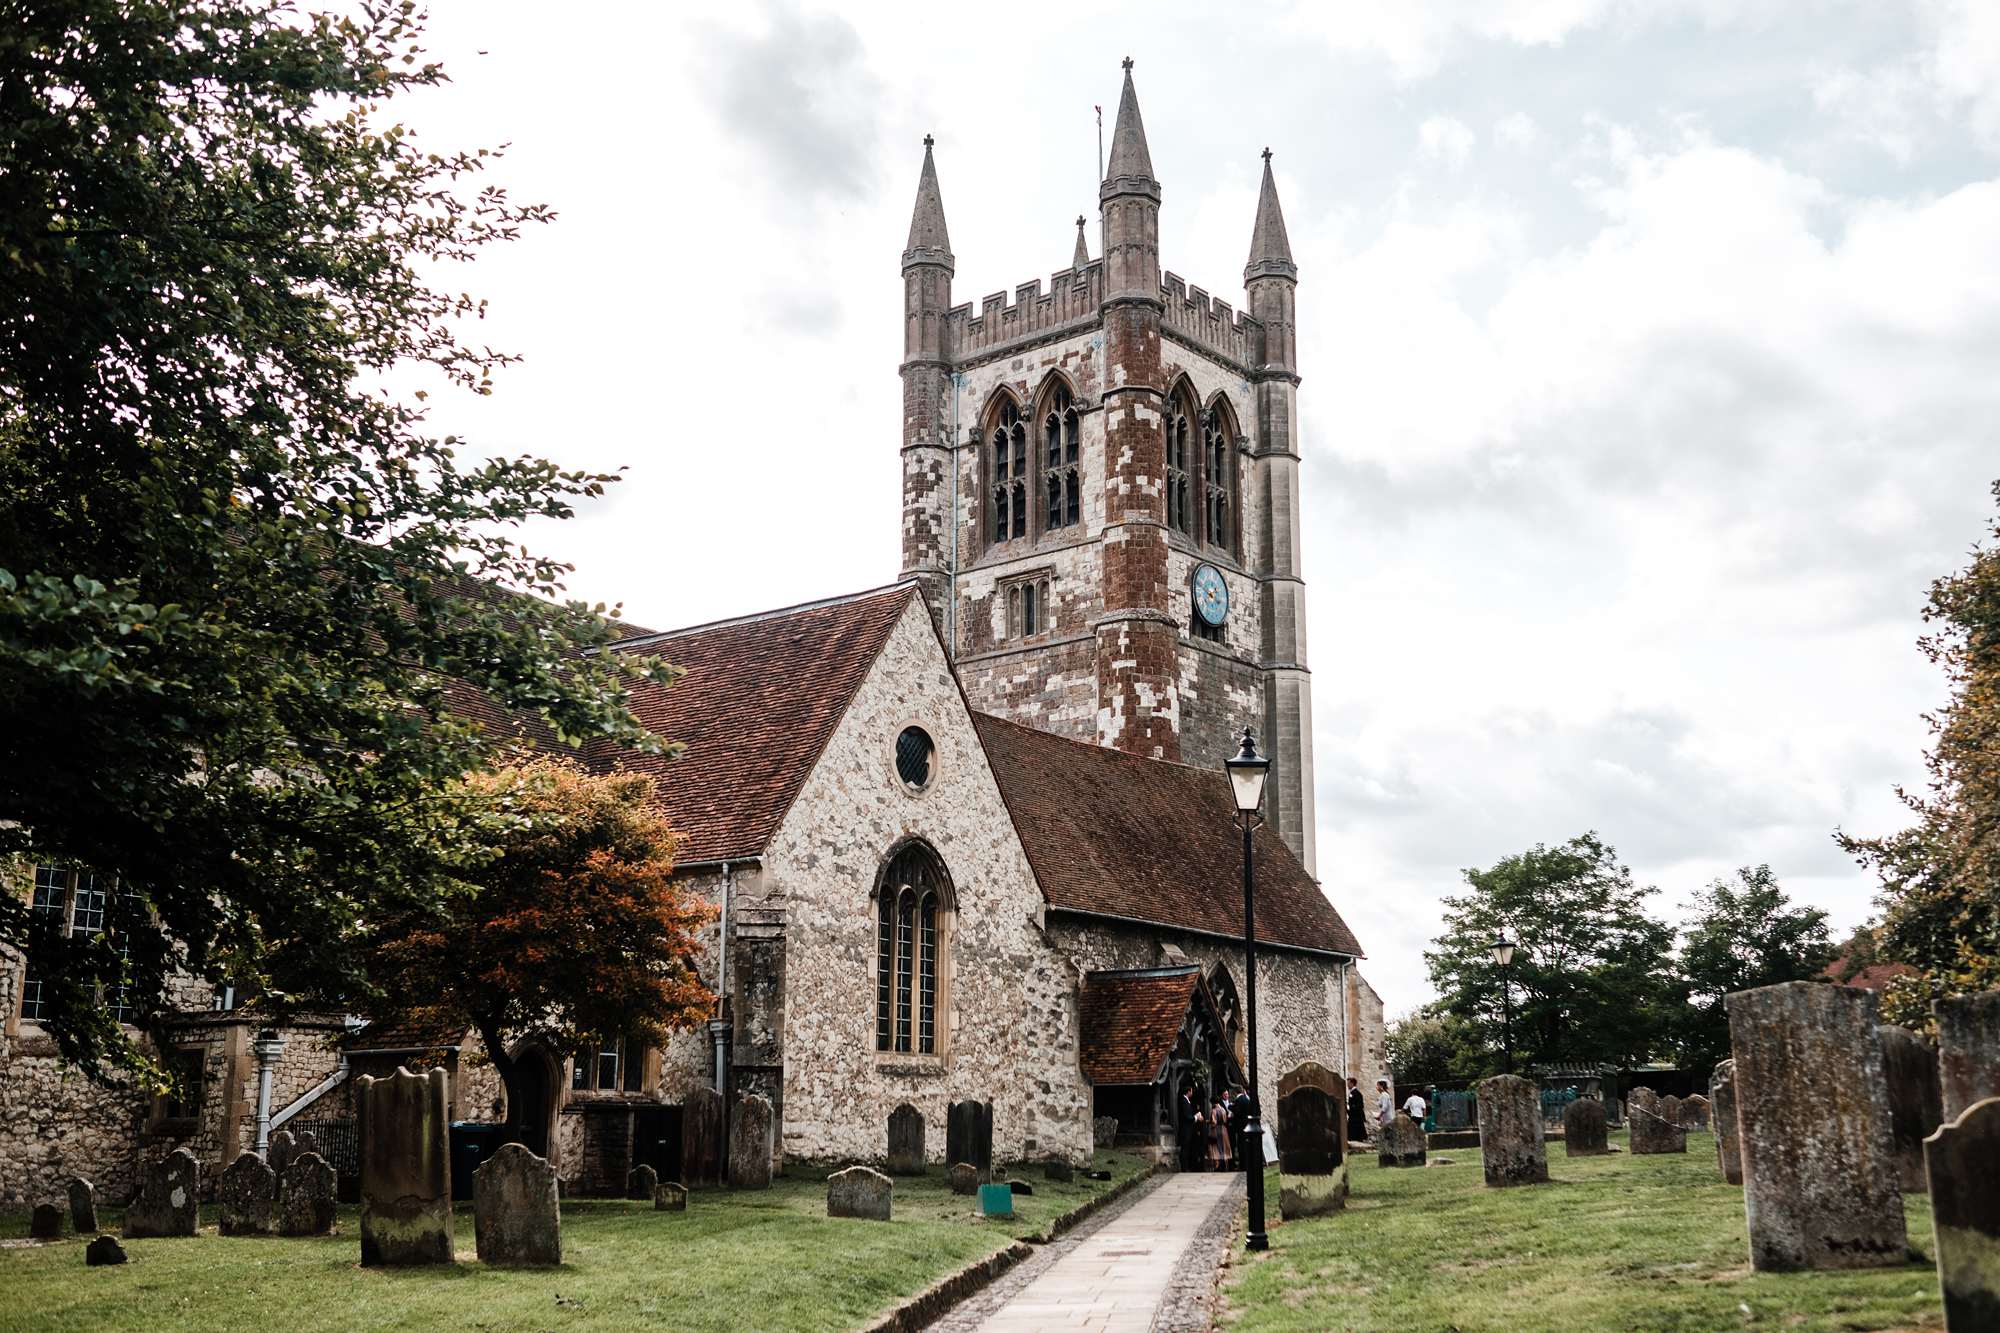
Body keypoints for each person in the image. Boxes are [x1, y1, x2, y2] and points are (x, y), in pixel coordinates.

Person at [1177, 1084, 1201, 1171]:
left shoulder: (1187, 1101)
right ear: (1188, 1092)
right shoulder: (1184, 1101)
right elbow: (1187, 1117)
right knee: (1185, 1148)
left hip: (1188, 1128)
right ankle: (1184, 1167)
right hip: (1185, 1129)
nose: (1192, 1092)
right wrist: (1196, 1117)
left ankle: (1186, 1166)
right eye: (1191, 1091)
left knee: (1187, 1148)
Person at [1346, 1076, 1367, 1143]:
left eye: (1348, 1083)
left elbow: (1359, 1105)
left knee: (1356, 1132)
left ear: (1352, 1083)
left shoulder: (1356, 1093)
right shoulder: (1352, 1093)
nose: (1347, 1085)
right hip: (1353, 1116)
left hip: (1356, 1117)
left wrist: (1350, 1109)